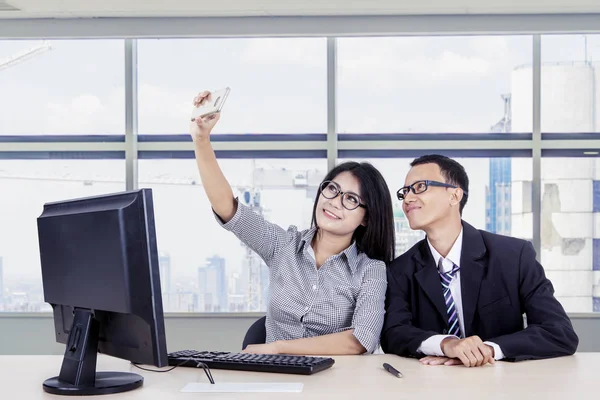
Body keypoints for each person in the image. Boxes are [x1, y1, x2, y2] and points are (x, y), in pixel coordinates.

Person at [190, 90, 395, 355]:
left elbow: (360, 340)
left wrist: (278, 348)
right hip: (275, 381)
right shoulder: (283, 245)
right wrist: (201, 139)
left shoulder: (370, 271)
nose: (334, 201)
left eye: (351, 199)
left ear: (366, 217)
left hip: (336, 384)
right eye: (332, 189)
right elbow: (229, 209)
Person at [381, 154, 578, 367]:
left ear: (455, 195)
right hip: (433, 383)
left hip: (502, 383)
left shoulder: (513, 255)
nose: (408, 199)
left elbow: (559, 332)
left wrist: (487, 349)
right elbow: (394, 333)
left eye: (419, 187)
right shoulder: (400, 269)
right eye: (405, 192)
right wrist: (446, 344)